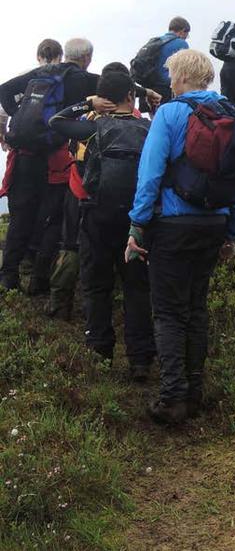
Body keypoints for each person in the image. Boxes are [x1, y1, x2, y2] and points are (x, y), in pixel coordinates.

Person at [127, 49, 235, 424]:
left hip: (173, 227)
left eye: (170, 75)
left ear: (179, 77)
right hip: (213, 226)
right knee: (196, 308)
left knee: (168, 311)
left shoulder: (170, 113)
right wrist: (233, 231)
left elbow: (150, 174)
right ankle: (194, 394)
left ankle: (172, 399)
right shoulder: (233, 114)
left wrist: (137, 225)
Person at [48, 70, 155, 376]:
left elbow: (55, 122)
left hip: (96, 216)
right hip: (137, 220)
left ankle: (100, 354)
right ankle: (140, 359)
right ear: (129, 97)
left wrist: (87, 103)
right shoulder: (146, 128)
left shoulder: (92, 127)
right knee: (137, 287)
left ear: (103, 97)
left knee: (97, 286)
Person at [0, 38, 99, 294]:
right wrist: (147, 94)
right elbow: (116, 84)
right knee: (51, 219)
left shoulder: (41, 73)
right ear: (87, 58)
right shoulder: (80, 77)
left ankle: (8, 277)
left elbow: (3, 89)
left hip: (24, 155)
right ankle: (39, 282)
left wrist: (18, 111)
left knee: (20, 217)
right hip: (54, 158)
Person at [131, 17, 190, 111]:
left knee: (154, 122)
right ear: (183, 31)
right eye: (187, 35)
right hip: (166, 91)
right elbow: (184, 71)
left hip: (148, 90)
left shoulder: (155, 41)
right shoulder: (181, 44)